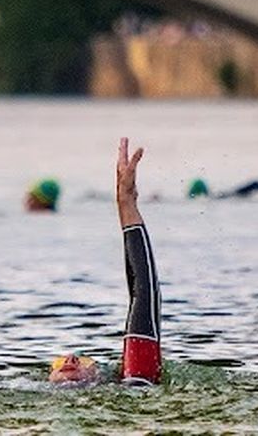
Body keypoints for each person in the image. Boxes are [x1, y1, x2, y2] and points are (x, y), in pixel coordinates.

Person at [48, 138, 161, 386]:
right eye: (59, 363)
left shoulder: (133, 382)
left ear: (102, 375)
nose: (70, 359)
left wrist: (126, 203)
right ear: (48, 378)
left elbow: (145, 294)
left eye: (84, 360)